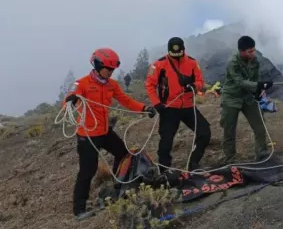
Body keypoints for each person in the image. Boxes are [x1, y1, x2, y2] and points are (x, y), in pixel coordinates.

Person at [64, 48, 155, 220]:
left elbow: (126, 100)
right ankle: (79, 209)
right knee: (87, 170)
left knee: (122, 154)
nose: (111, 72)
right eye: (108, 69)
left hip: (105, 132)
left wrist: (144, 108)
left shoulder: (112, 85)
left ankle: (118, 186)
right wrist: (71, 100)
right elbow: (69, 99)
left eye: (113, 69)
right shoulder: (81, 83)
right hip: (87, 135)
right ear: (98, 65)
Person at [145, 37, 210, 172]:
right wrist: (157, 104)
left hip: (188, 106)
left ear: (183, 50)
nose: (176, 57)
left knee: (204, 132)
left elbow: (200, 81)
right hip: (169, 108)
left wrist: (194, 85)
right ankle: (164, 169)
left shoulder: (192, 63)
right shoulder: (159, 65)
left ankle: (194, 163)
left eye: (179, 54)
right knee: (166, 141)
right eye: (173, 55)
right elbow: (150, 85)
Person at [220, 36, 272, 162]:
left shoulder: (255, 61)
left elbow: (256, 78)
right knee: (229, 129)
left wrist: (260, 90)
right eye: (250, 51)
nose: (253, 53)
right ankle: (230, 159)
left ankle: (262, 154)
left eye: (254, 50)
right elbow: (239, 82)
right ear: (241, 51)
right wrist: (257, 86)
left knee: (260, 126)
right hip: (231, 97)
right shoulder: (233, 62)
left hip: (248, 97)